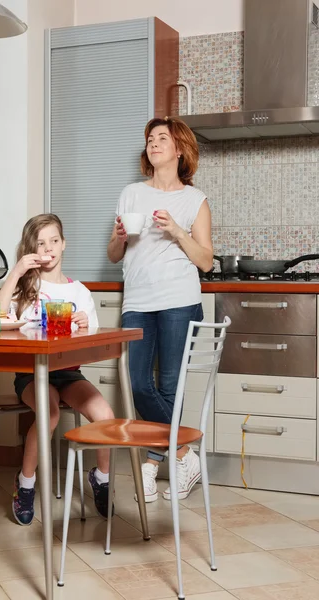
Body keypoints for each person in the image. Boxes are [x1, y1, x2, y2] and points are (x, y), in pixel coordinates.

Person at [107, 116, 213, 503]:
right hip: (138, 300)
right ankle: (184, 454)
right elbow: (115, 253)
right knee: (137, 383)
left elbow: (206, 261)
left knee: (171, 387)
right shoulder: (131, 194)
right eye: (150, 138)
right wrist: (118, 238)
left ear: (179, 148)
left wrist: (178, 232)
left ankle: (151, 469)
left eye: (162, 138)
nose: (153, 143)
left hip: (179, 301)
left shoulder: (193, 200)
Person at [0, 213, 115, 524]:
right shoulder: (26, 289)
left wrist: (85, 326)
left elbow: (94, 342)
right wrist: (17, 271)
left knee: (106, 415)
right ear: (30, 249)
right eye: (40, 243)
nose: (48, 248)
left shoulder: (80, 293)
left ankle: (101, 479)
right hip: (33, 373)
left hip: (69, 373)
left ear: (64, 245)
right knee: (49, 414)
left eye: (54, 241)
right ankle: (25, 485)